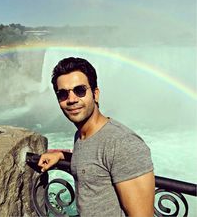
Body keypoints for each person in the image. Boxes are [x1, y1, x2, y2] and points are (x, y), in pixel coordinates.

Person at [38, 57, 155, 217]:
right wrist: (60, 155)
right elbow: (95, 162)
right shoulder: (81, 136)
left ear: (95, 94)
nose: (71, 100)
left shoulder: (122, 143)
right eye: (63, 94)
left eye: (80, 90)